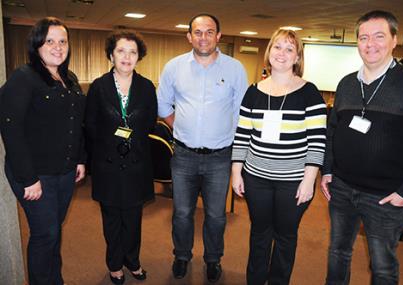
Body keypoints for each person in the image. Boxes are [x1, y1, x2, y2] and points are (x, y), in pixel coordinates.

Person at [321, 10, 403, 285]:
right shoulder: (346, 84)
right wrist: (327, 170)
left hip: (386, 196)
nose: (370, 44)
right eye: (364, 37)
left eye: (379, 36)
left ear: (394, 39)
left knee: (383, 267)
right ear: (357, 42)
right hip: (343, 189)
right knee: (338, 253)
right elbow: (332, 131)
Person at [231, 29, 327, 285]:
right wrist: (236, 172)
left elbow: (318, 141)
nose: (282, 53)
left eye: (289, 49)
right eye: (277, 47)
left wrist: (309, 181)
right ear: (269, 51)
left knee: (285, 236)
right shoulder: (253, 91)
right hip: (256, 178)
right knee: (259, 234)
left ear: (297, 58)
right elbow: (242, 135)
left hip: (293, 181)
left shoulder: (310, 93)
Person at [157, 13, 248, 283]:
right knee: (182, 213)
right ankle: (182, 256)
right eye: (198, 32)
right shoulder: (174, 67)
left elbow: (241, 112)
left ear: (218, 36)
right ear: (189, 36)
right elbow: (163, 105)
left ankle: (213, 259)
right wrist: (180, 127)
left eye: (210, 32)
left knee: (216, 216)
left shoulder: (235, 69)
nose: (204, 37)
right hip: (183, 156)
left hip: (220, 158)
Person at [0, 17, 85, 285]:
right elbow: (10, 129)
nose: (57, 47)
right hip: (36, 175)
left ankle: (54, 280)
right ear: (37, 45)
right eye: (50, 41)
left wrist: (80, 159)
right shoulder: (24, 78)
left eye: (62, 41)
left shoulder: (68, 79)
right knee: (45, 234)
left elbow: (76, 123)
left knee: (53, 232)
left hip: (64, 172)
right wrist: (28, 178)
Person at [85, 31, 157, 284]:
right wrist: (113, 140)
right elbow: (90, 125)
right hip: (108, 164)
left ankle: (132, 260)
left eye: (133, 52)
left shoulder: (147, 87)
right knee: (112, 217)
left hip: (137, 163)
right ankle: (115, 263)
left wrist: (129, 138)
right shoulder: (98, 86)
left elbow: (149, 122)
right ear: (111, 54)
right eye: (121, 51)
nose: (127, 57)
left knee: (134, 218)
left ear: (139, 57)